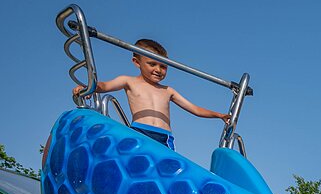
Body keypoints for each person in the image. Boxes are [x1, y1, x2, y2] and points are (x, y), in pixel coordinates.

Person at [73, 38, 230, 150]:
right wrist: (89, 87)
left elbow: (194, 109)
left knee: (167, 169)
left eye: (163, 66)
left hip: (164, 137)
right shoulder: (128, 81)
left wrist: (219, 115)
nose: (158, 70)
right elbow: (105, 85)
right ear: (137, 62)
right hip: (140, 131)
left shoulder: (168, 90)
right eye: (152, 64)